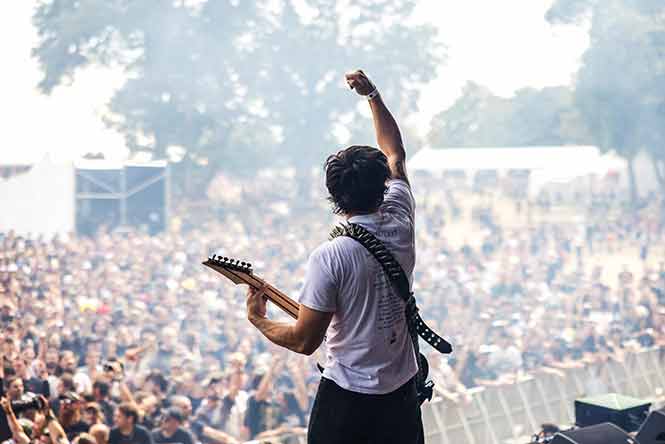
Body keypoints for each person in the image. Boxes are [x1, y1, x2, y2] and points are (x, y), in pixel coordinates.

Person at [246, 69, 423, 443]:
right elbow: (396, 153)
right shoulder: (401, 216)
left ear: (334, 197)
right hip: (403, 388)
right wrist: (372, 93)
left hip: (348, 398)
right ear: (381, 186)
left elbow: (305, 341)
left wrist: (259, 320)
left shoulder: (331, 257)